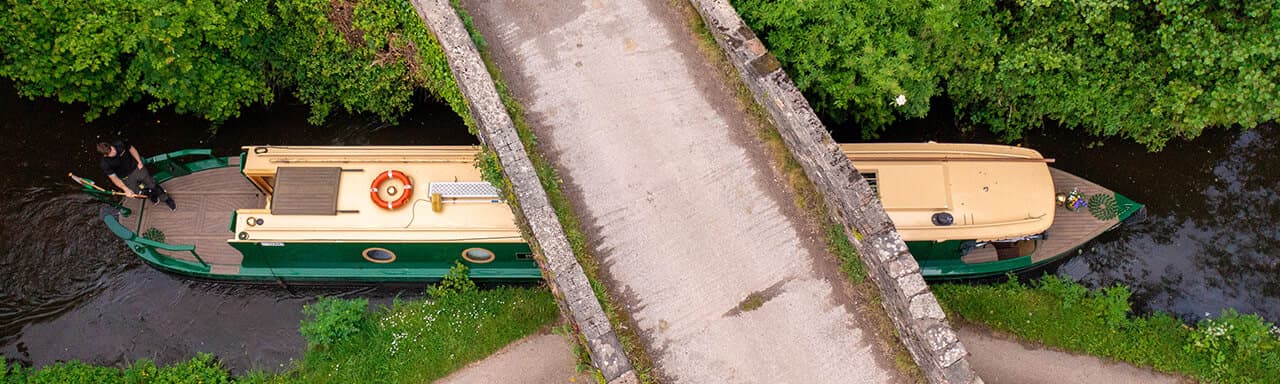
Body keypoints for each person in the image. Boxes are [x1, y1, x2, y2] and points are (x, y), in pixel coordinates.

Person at [96, 139, 176, 211]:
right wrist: (125, 189)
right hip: (126, 177)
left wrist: (139, 161)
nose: (114, 151)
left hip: (136, 168)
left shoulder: (120, 144)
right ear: (105, 155)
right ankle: (152, 195)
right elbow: (113, 178)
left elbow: (131, 149)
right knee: (138, 194)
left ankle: (166, 198)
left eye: (112, 148)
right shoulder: (105, 164)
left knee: (152, 184)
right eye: (110, 153)